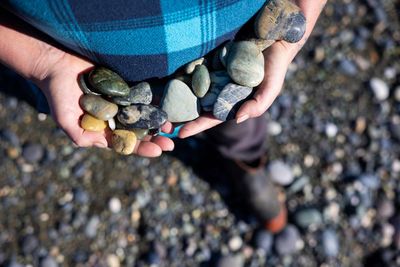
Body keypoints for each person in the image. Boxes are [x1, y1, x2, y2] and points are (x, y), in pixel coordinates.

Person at [0, 0, 326, 232]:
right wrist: (43, 61)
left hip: (234, 51)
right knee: (233, 108)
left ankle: (246, 162)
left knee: (240, 117)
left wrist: (290, 33)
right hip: (74, 59)